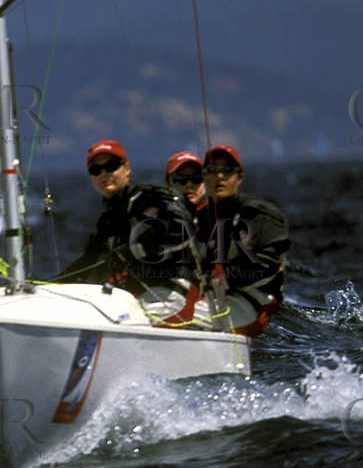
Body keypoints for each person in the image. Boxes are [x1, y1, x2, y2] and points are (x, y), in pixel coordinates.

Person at [54, 139, 194, 297]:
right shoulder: (107, 221)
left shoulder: (149, 198)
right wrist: (54, 284)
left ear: (127, 168)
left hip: (169, 292)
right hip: (132, 296)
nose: (104, 174)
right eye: (96, 170)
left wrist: (136, 248)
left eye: (111, 166)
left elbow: (181, 227)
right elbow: (89, 261)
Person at [194, 144, 288, 336]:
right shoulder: (198, 217)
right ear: (204, 177)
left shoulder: (258, 215)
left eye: (227, 170)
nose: (220, 176)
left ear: (239, 177)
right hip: (212, 297)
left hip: (255, 302)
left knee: (186, 317)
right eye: (212, 170)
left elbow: (267, 266)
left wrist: (227, 279)